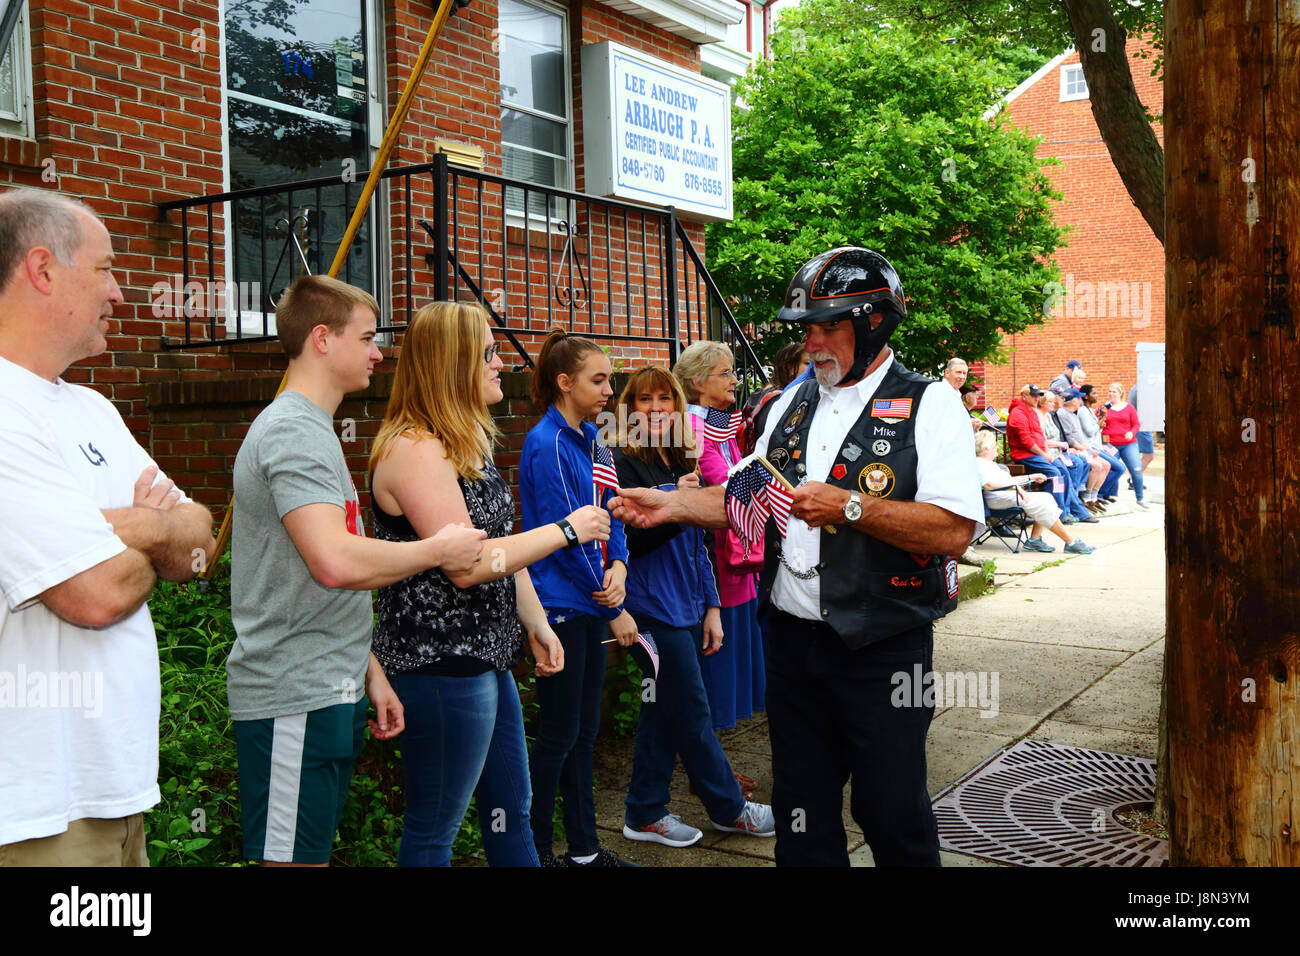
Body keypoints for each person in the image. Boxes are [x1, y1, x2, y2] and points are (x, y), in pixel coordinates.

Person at [611, 247, 984, 867]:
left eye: (826, 326)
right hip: (792, 641)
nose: (811, 342)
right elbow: (746, 495)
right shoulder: (789, 404)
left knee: (892, 810)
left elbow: (952, 531)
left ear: (873, 324)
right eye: (804, 328)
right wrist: (671, 507)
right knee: (802, 812)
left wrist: (850, 507)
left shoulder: (929, 403)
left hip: (886, 645)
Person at [226, 275, 486, 866]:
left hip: (324, 687)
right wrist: (438, 549)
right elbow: (335, 560)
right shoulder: (292, 430)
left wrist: (369, 675)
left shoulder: (311, 427)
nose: (379, 352)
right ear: (322, 338)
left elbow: (324, 572)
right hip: (293, 694)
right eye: (367, 338)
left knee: (306, 855)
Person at [0, 189, 217, 866]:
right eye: (105, 270)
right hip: (36, 813)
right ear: (43, 270)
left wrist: (123, 529)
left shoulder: (92, 408)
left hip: (117, 794)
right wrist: (157, 526)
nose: (121, 294)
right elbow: (94, 594)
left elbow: (203, 546)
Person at [368, 303, 610, 866]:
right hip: (440, 668)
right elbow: (469, 563)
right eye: (488, 354)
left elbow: (502, 546)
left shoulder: (462, 443)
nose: (502, 365)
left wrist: (535, 620)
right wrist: (566, 530)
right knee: (435, 829)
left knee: (512, 808)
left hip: (485, 660)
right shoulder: (416, 449)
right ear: (453, 364)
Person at [612, 367, 776, 847]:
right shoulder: (622, 460)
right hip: (647, 609)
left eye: (666, 398)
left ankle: (643, 811)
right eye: (645, 400)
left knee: (663, 707)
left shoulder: (677, 458)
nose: (657, 408)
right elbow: (630, 541)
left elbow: (698, 540)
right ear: (629, 409)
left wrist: (712, 606)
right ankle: (727, 807)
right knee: (691, 706)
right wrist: (675, 501)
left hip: (686, 604)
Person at [520, 328, 637, 867]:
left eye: (609, 378)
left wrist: (619, 565)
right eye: (599, 379)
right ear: (565, 383)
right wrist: (614, 605)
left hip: (593, 598)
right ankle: (537, 850)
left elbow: (611, 514)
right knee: (560, 735)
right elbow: (565, 533)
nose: (609, 388)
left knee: (583, 733)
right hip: (562, 606)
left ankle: (585, 851)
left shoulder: (593, 437)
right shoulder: (545, 443)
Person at [674, 341, 766, 733]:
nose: (734, 380)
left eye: (733, 371)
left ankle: (715, 763)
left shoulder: (716, 421)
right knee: (717, 659)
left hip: (736, 556)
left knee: (728, 656)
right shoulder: (695, 425)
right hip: (719, 562)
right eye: (725, 373)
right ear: (697, 381)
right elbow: (725, 482)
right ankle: (708, 766)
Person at [974, 431, 1094, 553]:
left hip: (1006, 495)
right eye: (994, 445)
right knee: (1041, 504)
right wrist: (1015, 488)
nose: (997, 447)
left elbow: (1009, 480)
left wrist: (1031, 477)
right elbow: (987, 484)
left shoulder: (991, 464)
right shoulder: (979, 463)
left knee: (1047, 497)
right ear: (986, 448)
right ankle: (1070, 541)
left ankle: (1034, 540)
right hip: (996, 498)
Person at [1007, 384, 1089, 522]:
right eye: (1033, 395)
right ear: (1024, 396)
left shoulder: (1031, 411)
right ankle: (1055, 514)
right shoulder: (1017, 413)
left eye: (1038, 395)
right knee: (1055, 475)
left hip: (1039, 453)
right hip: (1025, 455)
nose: (1036, 398)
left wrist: (1047, 452)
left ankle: (1065, 511)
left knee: (1064, 471)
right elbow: (1026, 440)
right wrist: (1044, 454)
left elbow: (1041, 437)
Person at [1038, 390, 1097, 523]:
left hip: (1059, 452)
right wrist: (1061, 445)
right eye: (1051, 401)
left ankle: (1072, 505)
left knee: (1078, 463)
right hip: (1049, 454)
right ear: (1042, 403)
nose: (1055, 403)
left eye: (1054, 400)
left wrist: (1067, 448)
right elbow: (1040, 441)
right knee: (1064, 475)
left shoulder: (1049, 415)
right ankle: (1068, 511)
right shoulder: (1039, 417)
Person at [743, 342, 811, 454]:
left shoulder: (761, 394)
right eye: (807, 363)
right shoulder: (779, 401)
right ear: (788, 368)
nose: (813, 368)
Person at [1102, 381, 1148, 509]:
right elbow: (1096, 423)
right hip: (1110, 444)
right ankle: (1110, 495)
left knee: (1136, 469)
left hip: (1129, 444)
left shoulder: (1129, 408)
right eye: (1109, 391)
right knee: (1113, 469)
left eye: (1114, 392)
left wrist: (1131, 432)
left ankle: (1140, 498)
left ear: (1120, 393)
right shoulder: (1104, 407)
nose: (1111, 394)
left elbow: (1136, 424)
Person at [1128, 383, 1156, 473]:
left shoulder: (1135, 388)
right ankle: (1134, 479)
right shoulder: (1141, 390)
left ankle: (1133, 478)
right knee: (1148, 455)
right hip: (1141, 426)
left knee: (1137, 454)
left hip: (1139, 425)